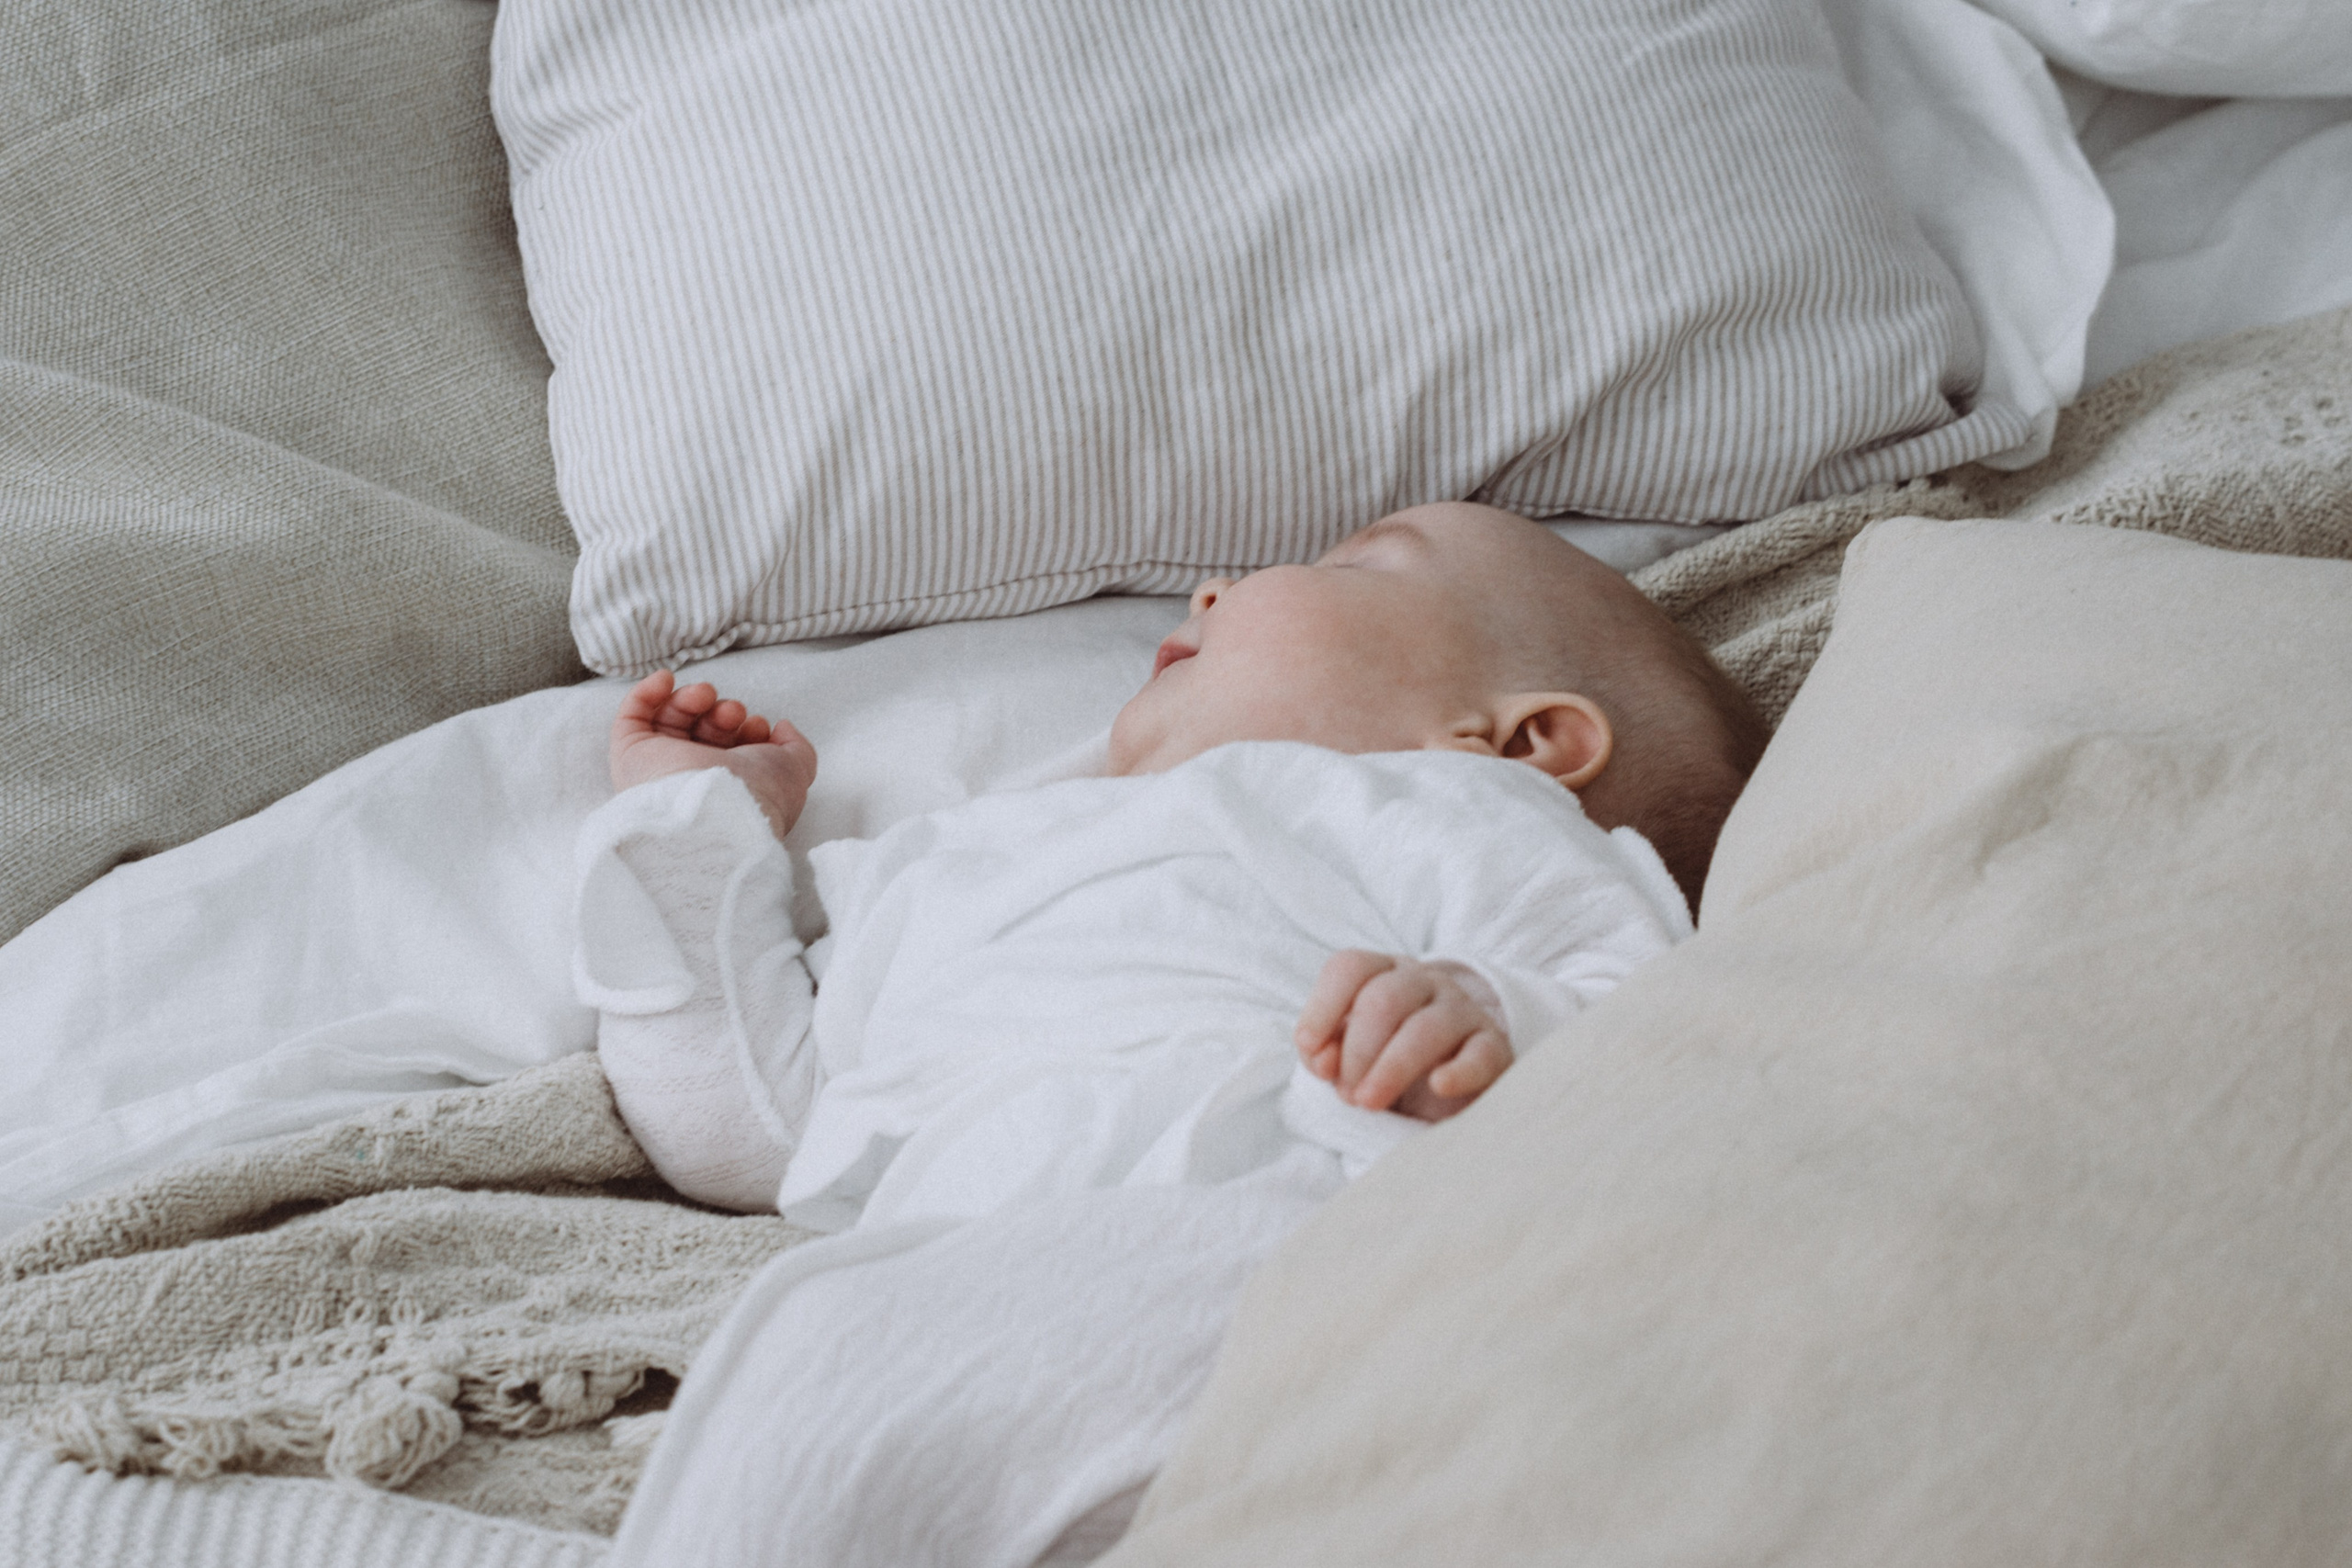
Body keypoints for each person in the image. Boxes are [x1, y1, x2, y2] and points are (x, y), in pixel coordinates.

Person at [573, 502, 1768, 1219]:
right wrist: (691, 825)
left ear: (1520, 739)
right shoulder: (944, 861)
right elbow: (746, 1126)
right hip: (951, 1277)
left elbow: (1644, 1005)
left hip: (1287, 1231)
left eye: (1357, 565)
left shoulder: (1441, 804)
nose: (1213, 586)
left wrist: (1499, 1016)